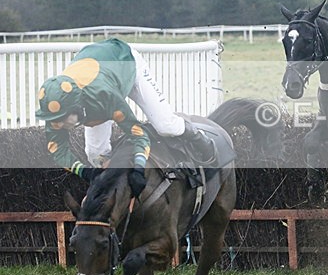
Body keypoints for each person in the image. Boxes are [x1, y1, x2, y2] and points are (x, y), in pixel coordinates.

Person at [35, 38, 215, 197]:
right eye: (53, 119)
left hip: (127, 64)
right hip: (98, 73)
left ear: (76, 107)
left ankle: (200, 137)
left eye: (61, 118)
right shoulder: (55, 111)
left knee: (166, 126)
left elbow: (138, 134)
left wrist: (138, 167)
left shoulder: (105, 97)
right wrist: (86, 173)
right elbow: (58, 151)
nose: (56, 124)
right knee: (95, 154)